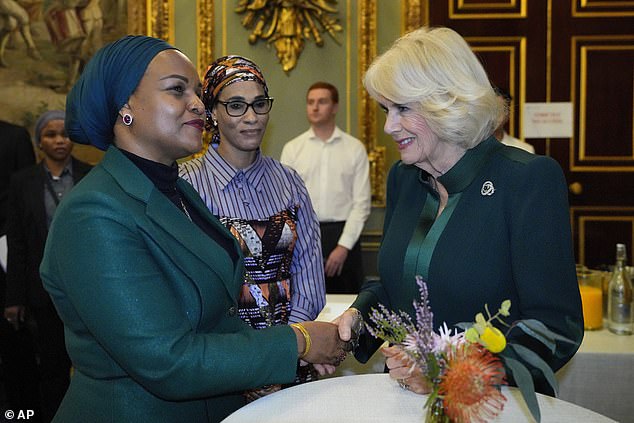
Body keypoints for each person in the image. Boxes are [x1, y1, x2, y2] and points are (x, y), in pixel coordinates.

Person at [39, 35, 347, 423]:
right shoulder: (93, 213)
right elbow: (167, 362)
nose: (198, 104)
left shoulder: (176, 191)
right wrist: (297, 343)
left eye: (198, 92)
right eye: (177, 90)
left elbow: (217, 317)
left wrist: (263, 367)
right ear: (125, 106)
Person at [332, 26, 583, 396]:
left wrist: (450, 369)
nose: (388, 126)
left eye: (403, 108)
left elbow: (555, 326)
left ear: (447, 101)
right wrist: (355, 319)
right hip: (404, 400)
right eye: (386, 109)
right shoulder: (404, 178)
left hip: (492, 406)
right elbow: (395, 285)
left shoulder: (527, 179)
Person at [179, 56, 326, 400]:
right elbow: (189, 291)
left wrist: (287, 350)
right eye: (236, 105)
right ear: (212, 112)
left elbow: (310, 279)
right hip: (221, 369)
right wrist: (250, 362)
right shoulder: (186, 184)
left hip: (292, 363)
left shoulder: (289, 182)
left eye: (259, 104)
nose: (251, 117)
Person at [4, 110, 92, 422]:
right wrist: (14, 298)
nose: (58, 141)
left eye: (64, 134)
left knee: (91, 365)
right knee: (52, 366)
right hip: (42, 290)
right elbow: (17, 242)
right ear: (39, 141)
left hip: (89, 288)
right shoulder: (22, 182)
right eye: (50, 135)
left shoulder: (90, 175)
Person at [281, 82, 371, 294]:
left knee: (346, 307)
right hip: (303, 235)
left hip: (344, 237)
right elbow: (285, 202)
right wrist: (301, 243)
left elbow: (361, 205)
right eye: (310, 102)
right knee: (303, 305)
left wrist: (343, 247)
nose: (315, 107)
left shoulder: (354, 148)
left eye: (322, 101)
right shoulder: (293, 149)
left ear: (335, 107)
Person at [0, 119, 38, 420]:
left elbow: (25, 206)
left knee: (16, 343)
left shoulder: (13, 137)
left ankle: (22, 413)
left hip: (6, 253)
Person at [493, 87, 535, 153]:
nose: (493, 115)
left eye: (498, 110)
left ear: (508, 114)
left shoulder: (524, 150)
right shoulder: (472, 148)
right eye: (488, 110)